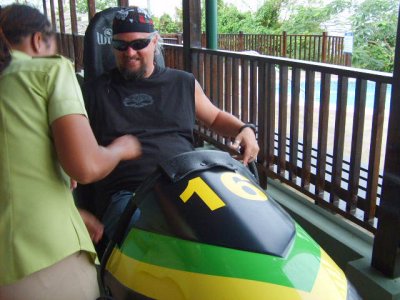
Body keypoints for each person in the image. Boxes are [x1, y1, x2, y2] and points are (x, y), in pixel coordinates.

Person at [76, 6, 259, 252]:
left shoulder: (182, 82)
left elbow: (214, 117)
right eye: (120, 45)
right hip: (129, 194)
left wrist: (245, 128)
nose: (129, 52)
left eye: (139, 43)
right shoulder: (95, 91)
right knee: (173, 252)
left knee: (239, 229)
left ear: (154, 42)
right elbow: (72, 148)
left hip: (190, 182)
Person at [0, 4, 141, 300]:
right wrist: (119, 149)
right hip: (41, 262)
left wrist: (73, 212)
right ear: (39, 40)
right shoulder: (48, 70)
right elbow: (86, 167)